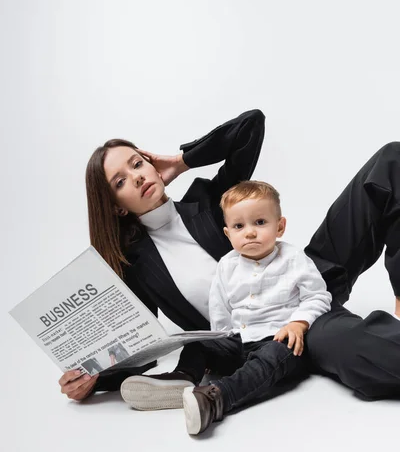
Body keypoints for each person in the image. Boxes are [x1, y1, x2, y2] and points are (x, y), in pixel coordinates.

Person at [58, 109, 400, 406]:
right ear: (116, 205)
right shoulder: (138, 266)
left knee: (390, 162)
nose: (136, 176)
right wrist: (93, 381)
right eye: (120, 181)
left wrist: (182, 161)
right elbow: (139, 346)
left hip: (307, 277)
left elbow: (250, 126)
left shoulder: (208, 201)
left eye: (137, 163)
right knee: (364, 352)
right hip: (276, 335)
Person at [178, 180, 331, 434]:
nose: (249, 232)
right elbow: (220, 309)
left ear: (279, 226)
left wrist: (298, 323)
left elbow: (318, 296)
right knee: (197, 340)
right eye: (239, 226)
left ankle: (217, 398)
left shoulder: (293, 259)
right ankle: (182, 378)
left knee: (276, 354)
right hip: (238, 341)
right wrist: (219, 344)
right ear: (228, 234)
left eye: (260, 223)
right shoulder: (227, 265)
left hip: (277, 339)